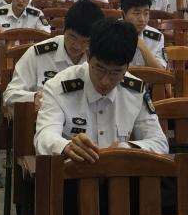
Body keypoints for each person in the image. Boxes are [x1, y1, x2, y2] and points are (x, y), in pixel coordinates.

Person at [35, 18, 168, 160]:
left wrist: (126, 147)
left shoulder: (135, 91)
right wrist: (66, 146)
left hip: (118, 171)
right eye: (99, 69)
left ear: (127, 67)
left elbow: (160, 143)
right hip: (72, 169)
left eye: (115, 73)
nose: (105, 81)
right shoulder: (58, 86)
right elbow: (43, 136)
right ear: (88, 56)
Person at [3, 0, 105, 108]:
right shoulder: (38, 54)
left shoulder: (100, 59)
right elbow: (9, 96)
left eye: (85, 41)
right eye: (72, 37)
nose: (77, 46)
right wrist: (35, 97)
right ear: (64, 28)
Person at [120, 0, 167, 68]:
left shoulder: (156, 37)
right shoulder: (112, 33)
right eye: (136, 13)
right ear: (123, 14)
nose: (142, 19)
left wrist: (142, 46)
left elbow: (160, 72)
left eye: (146, 13)